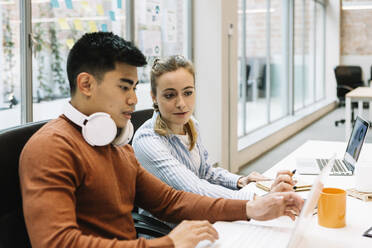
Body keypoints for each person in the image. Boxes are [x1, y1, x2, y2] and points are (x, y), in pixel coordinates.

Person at [19, 32, 303, 248]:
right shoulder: (51, 147)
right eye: (124, 88)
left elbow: (171, 201)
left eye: (134, 88)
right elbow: (57, 243)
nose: (133, 100)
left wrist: (250, 208)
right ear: (86, 84)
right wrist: (167, 243)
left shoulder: (115, 145)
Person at [132, 55, 295, 203]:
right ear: (153, 96)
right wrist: (259, 198)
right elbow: (193, 187)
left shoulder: (191, 124)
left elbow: (205, 172)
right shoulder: (147, 141)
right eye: (170, 95)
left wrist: (240, 181)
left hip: (200, 210)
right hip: (173, 227)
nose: (181, 103)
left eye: (188, 93)